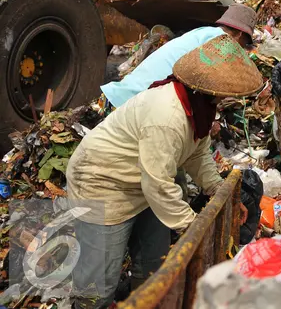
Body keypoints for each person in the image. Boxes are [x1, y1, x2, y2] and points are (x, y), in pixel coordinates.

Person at [67, 34, 263, 309]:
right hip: (101, 182)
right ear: (212, 89)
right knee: (97, 286)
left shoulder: (200, 108)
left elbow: (197, 155)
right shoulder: (169, 115)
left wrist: (219, 191)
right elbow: (158, 183)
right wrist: (192, 224)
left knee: (154, 265)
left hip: (142, 184)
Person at [99, 3, 257, 111]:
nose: (241, 48)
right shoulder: (219, 42)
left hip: (117, 96)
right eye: (244, 43)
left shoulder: (204, 32)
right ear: (239, 35)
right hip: (131, 105)